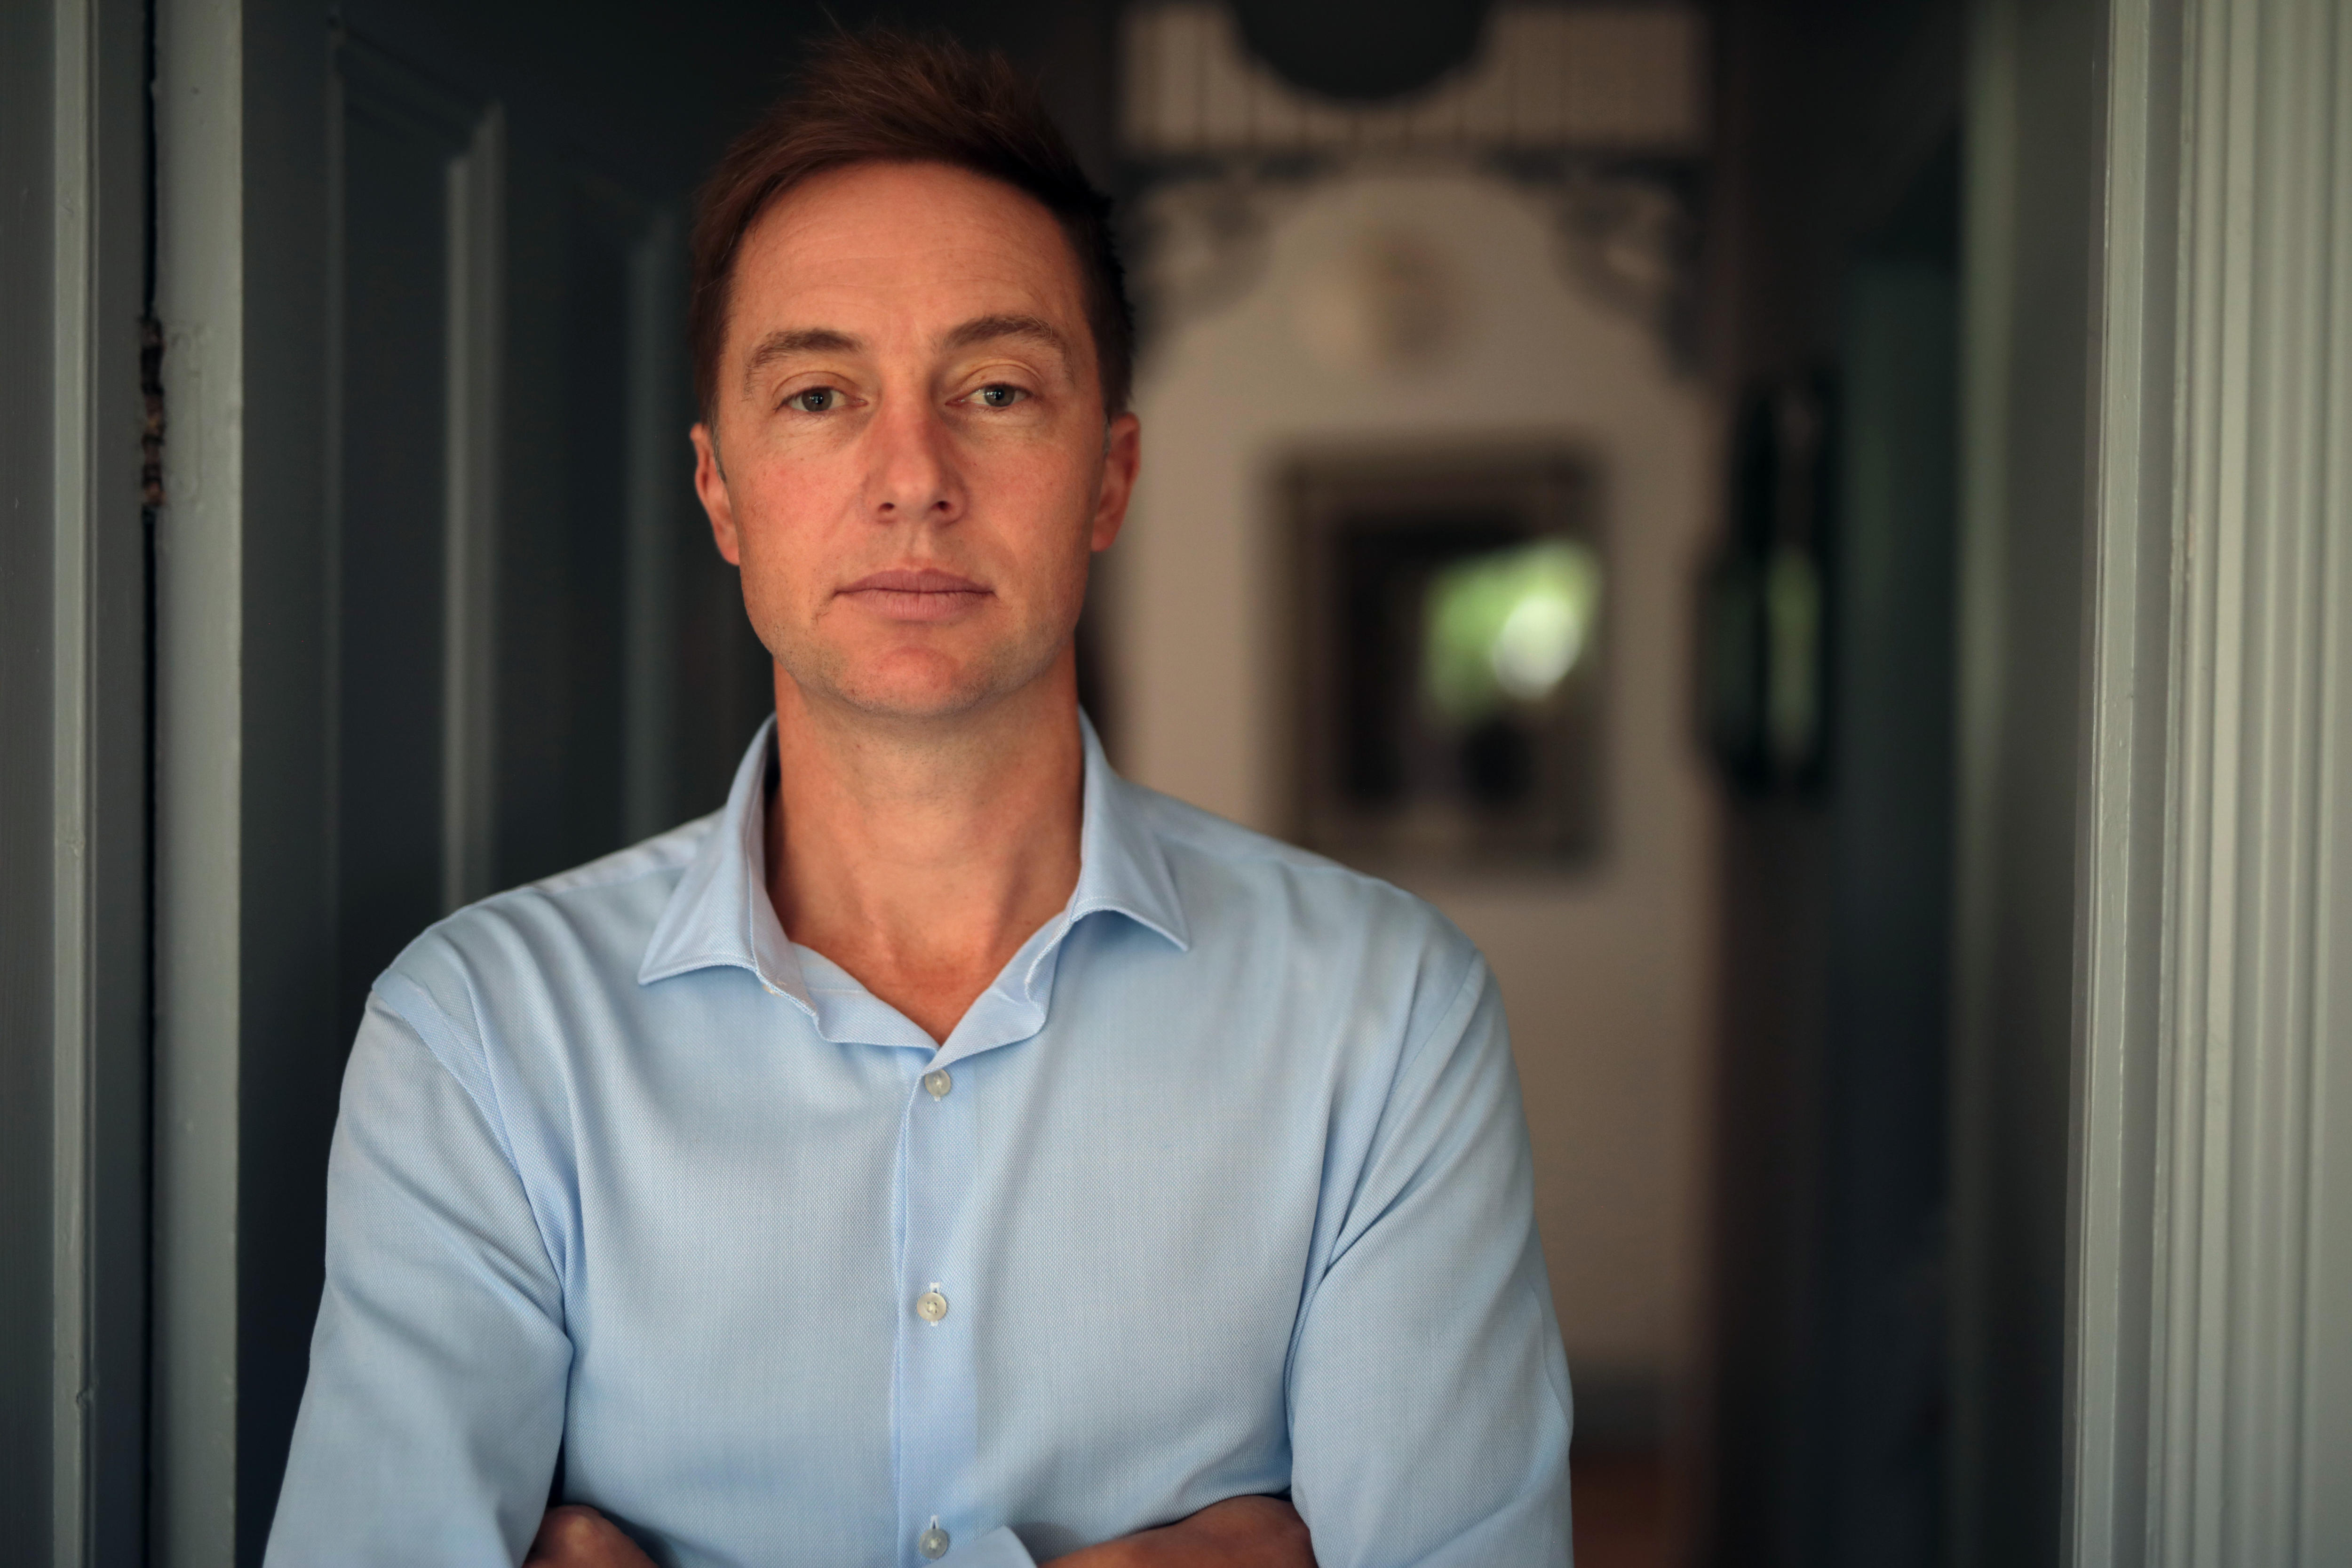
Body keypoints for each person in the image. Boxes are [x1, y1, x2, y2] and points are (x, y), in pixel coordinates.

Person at [264, 29, 1571, 1568]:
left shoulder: (1386, 1016)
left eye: (998, 388)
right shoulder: (480, 1039)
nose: (912, 475)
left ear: (1109, 477)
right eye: (819, 395)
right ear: (722, 494)